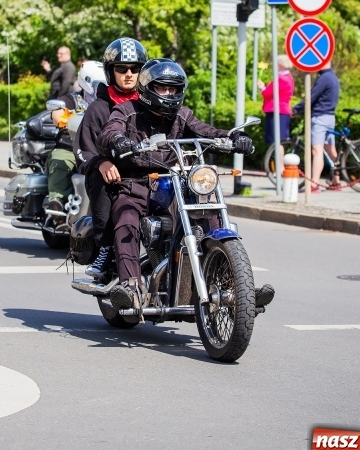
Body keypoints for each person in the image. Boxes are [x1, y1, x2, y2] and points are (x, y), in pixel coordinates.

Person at [98, 59, 254, 309]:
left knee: (208, 210)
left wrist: (233, 137)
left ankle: (235, 283)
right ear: (148, 87)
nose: (169, 94)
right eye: (163, 88)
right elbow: (108, 131)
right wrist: (118, 140)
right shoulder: (127, 111)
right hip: (135, 183)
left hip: (172, 182)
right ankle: (131, 286)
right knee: (126, 217)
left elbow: (206, 131)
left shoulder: (183, 115)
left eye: (174, 89)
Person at [74, 37, 148, 279]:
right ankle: (105, 249)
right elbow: (83, 150)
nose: (129, 74)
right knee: (101, 175)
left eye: (135, 69)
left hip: (147, 172)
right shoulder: (99, 108)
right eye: (121, 69)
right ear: (110, 71)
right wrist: (102, 162)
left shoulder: (151, 105)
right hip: (115, 176)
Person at [44, 60, 107, 228]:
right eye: (98, 84)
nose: (101, 87)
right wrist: (63, 118)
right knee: (60, 161)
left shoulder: (107, 102)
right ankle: (56, 202)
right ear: (86, 82)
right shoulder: (73, 99)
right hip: (70, 146)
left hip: (99, 149)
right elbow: (57, 113)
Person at [292, 60, 340, 191]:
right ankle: (337, 181)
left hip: (320, 118)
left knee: (316, 151)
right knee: (331, 151)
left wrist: (296, 109)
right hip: (330, 116)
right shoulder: (333, 77)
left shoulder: (324, 78)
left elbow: (311, 97)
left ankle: (314, 184)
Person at [257, 54, 295, 178]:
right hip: (281, 111)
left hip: (277, 111)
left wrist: (262, 87)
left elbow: (268, 93)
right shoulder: (288, 77)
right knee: (279, 142)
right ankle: (279, 167)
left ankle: (279, 168)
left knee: (276, 142)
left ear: (280, 65)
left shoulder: (281, 79)